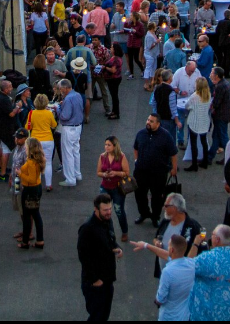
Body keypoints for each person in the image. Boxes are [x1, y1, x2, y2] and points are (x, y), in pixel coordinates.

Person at [187, 224, 230, 321]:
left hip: (206, 315)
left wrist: (196, 244)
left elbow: (186, 267)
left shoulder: (205, 258)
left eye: (212, 234)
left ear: (217, 239)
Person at [77, 193, 123, 321]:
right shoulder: (87, 229)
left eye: (110, 209)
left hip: (108, 279)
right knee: (96, 317)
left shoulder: (108, 221)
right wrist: (95, 280)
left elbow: (111, 240)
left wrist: (118, 248)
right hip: (95, 283)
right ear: (96, 209)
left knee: (103, 316)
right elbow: (84, 256)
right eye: (105, 210)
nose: (109, 212)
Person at [129, 234, 195, 322]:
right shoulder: (191, 264)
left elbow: (161, 299)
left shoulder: (168, 272)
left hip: (169, 316)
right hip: (185, 316)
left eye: (169, 245)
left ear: (171, 249)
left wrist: (157, 301)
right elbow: (168, 255)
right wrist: (146, 245)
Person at [134, 114, 178, 227]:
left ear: (158, 124)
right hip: (141, 171)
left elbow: (173, 153)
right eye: (148, 120)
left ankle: (155, 217)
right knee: (139, 194)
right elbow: (136, 147)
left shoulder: (166, 136)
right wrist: (136, 160)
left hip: (158, 173)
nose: (148, 122)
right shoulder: (141, 133)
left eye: (152, 121)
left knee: (157, 196)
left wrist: (174, 168)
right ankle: (144, 213)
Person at [97, 136, 131, 243]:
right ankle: (107, 231)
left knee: (118, 210)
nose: (106, 147)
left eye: (109, 145)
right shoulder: (102, 156)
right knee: (103, 211)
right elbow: (98, 172)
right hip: (105, 186)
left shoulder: (121, 156)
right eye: (105, 145)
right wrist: (104, 174)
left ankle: (124, 231)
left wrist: (115, 173)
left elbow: (126, 173)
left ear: (115, 146)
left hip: (117, 188)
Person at [16, 138, 45, 250]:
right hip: (36, 188)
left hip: (30, 190)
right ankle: (39, 240)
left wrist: (20, 173)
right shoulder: (37, 160)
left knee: (28, 216)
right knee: (36, 214)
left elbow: (31, 179)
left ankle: (25, 241)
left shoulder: (31, 163)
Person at [56, 78, 84, 188]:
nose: (60, 90)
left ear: (64, 88)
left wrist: (58, 109)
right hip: (78, 127)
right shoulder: (77, 95)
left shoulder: (68, 99)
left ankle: (70, 179)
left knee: (67, 154)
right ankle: (77, 174)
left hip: (69, 128)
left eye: (60, 88)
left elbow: (64, 116)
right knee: (76, 151)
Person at [28, 93, 57, 191]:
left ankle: (38, 183)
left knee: (36, 162)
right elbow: (54, 125)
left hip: (35, 140)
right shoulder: (49, 113)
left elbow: (28, 127)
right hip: (48, 139)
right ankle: (48, 185)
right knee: (48, 162)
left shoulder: (32, 113)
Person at [0, 80, 21, 183]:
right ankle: (2, 174)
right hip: (6, 129)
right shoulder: (4, 99)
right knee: (6, 150)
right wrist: (18, 107)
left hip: (1, 127)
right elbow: (11, 114)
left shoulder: (1, 98)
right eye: (10, 87)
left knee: (2, 147)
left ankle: (0, 167)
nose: (11, 89)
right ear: (5, 89)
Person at [185, 76, 212, 171]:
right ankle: (205, 161)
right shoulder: (208, 95)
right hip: (204, 121)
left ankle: (194, 164)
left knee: (193, 143)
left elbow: (187, 106)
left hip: (194, 122)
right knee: (204, 142)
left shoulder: (194, 96)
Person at [210, 66, 230, 164]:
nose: (210, 74)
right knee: (216, 135)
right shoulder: (225, 84)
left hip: (221, 115)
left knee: (223, 137)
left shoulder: (220, 86)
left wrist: (210, 106)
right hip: (224, 115)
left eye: (212, 72)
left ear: (216, 76)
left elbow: (216, 103)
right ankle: (210, 156)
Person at [172, 61, 198, 149]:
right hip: (181, 102)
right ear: (186, 67)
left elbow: (201, 84)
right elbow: (173, 86)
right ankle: (180, 141)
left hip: (193, 101)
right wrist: (179, 92)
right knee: (181, 122)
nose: (192, 73)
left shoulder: (197, 72)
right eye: (191, 71)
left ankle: (190, 140)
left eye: (193, 71)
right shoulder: (178, 73)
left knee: (191, 122)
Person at [151, 69, 182, 144]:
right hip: (168, 119)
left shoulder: (157, 88)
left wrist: (156, 113)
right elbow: (173, 108)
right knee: (170, 140)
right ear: (170, 79)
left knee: (160, 138)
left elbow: (153, 102)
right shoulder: (171, 91)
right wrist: (177, 121)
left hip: (159, 118)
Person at [104, 43, 124, 120]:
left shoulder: (116, 59)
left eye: (112, 47)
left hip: (114, 79)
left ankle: (116, 113)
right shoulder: (114, 57)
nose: (110, 48)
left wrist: (105, 67)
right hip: (112, 79)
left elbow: (113, 70)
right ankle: (114, 111)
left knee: (114, 96)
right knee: (113, 96)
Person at [216, 10, 230, 78]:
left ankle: (221, 71)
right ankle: (227, 73)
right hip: (229, 43)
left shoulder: (220, 22)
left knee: (222, 57)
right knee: (228, 58)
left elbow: (217, 31)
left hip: (221, 42)